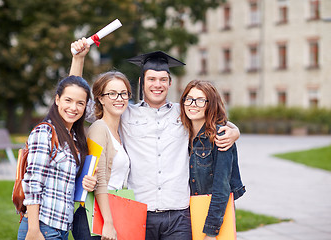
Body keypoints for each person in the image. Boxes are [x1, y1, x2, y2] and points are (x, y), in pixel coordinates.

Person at [70, 38, 240, 239]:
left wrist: (234, 130)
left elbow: (211, 118)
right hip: (139, 214)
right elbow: (78, 105)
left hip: (179, 216)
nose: (157, 85)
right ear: (142, 82)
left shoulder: (184, 112)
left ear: (170, 82)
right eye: (151, 79)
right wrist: (78, 59)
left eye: (162, 79)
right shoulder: (124, 113)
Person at [17, 75, 97, 240]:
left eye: (80, 103)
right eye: (68, 100)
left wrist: (88, 181)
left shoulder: (74, 137)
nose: (73, 107)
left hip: (61, 228)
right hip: (42, 227)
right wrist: (33, 230)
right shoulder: (44, 132)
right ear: (57, 99)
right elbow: (33, 182)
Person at [179, 80, 245, 239]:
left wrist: (211, 232)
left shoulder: (220, 136)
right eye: (189, 99)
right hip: (187, 215)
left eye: (201, 100)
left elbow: (222, 189)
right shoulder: (182, 133)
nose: (193, 104)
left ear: (211, 105)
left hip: (211, 217)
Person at [72, 71, 132, 240]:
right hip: (95, 217)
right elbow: (100, 179)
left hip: (114, 213)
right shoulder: (99, 128)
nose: (119, 98)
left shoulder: (120, 132)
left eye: (123, 93)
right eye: (112, 94)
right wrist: (108, 222)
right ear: (100, 98)